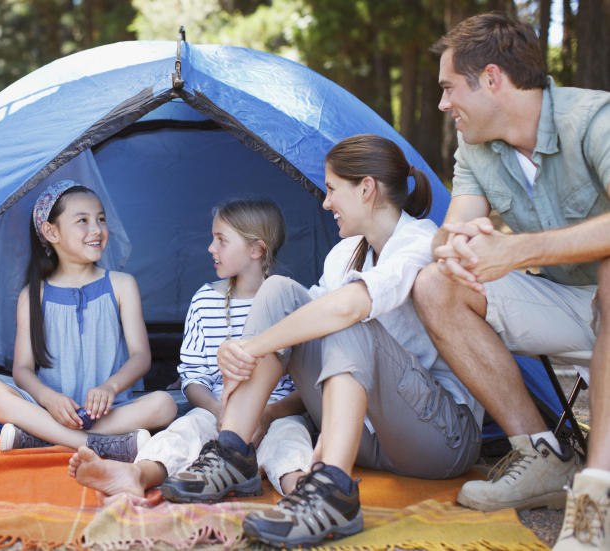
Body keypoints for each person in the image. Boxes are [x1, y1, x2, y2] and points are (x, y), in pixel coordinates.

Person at [159, 135, 482, 548]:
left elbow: (345, 310)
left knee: (348, 313)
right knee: (277, 290)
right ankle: (234, 449)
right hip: (365, 435)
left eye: (332, 190)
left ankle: (333, 490)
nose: (326, 203)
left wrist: (251, 348)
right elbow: (297, 316)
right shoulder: (344, 254)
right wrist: (237, 346)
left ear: (366, 189)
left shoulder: (419, 242)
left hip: (438, 439)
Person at [412, 12, 610, 550]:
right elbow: (448, 234)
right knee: (436, 283)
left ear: (493, 79)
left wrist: (517, 249)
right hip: (564, 306)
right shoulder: (476, 149)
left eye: (449, 88)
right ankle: (543, 456)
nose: (442, 104)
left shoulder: (594, 120)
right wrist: (455, 246)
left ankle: (598, 493)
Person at [68, 198, 314, 499]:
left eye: (221, 240)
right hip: (216, 413)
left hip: (276, 414)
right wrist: (218, 410)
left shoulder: (290, 301)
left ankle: (303, 492)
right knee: (187, 430)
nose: (211, 248)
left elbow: (309, 388)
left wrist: (269, 414)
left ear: (256, 249)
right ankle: (137, 474)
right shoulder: (204, 301)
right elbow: (193, 377)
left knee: (290, 439)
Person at [0, 180, 176, 462]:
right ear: (51, 232)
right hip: (51, 410)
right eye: (83, 220)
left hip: (109, 411)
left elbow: (141, 357)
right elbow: (22, 369)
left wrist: (110, 387)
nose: (97, 230)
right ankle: (98, 444)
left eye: (101, 219)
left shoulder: (121, 285)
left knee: (164, 405)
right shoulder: (34, 294)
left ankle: (42, 438)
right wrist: (48, 399)